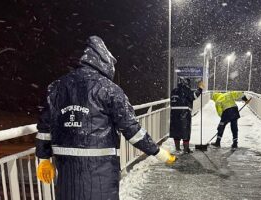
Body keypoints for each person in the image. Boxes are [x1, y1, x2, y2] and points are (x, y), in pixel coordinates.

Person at [35, 35, 176, 200]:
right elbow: (131, 129)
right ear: (103, 61)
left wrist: (44, 158)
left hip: (67, 175)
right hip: (100, 174)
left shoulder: (56, 88)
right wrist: (157, 151)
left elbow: (44, 127)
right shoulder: (109, 89)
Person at [169, 77, 204, 153]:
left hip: (174, 114)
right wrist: (200, 89)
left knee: (176, 131)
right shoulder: (186, 90)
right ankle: (186, 149)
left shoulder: (174, 91)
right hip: (184, 113)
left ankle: (177, 148)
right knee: (185, 131)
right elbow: (193, 96)